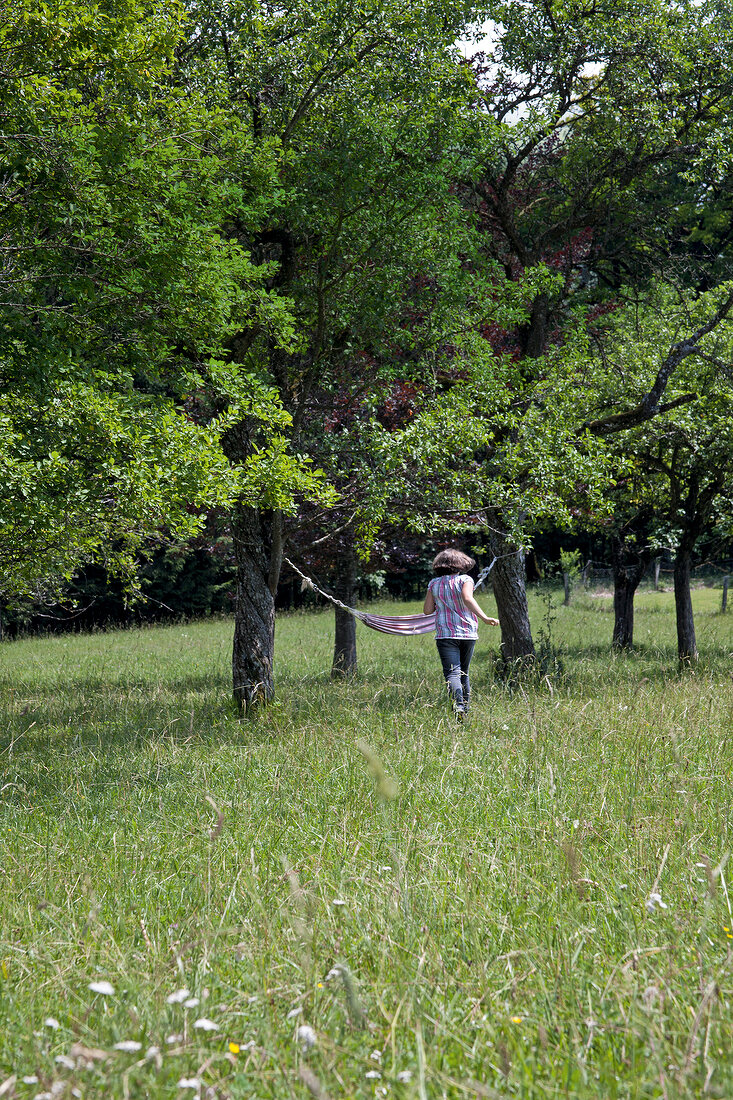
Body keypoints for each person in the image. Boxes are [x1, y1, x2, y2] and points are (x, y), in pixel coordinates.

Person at [423, 549, 499, 719]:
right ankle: (465, 708)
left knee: (452, 673)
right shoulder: (465, 579)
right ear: (459, 564)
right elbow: (467, 598)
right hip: (467, 633)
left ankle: (458, 706)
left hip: (445, 635)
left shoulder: (434, 584)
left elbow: (427, 610)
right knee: (464, 672)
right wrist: (485, 618)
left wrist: (441, 601)